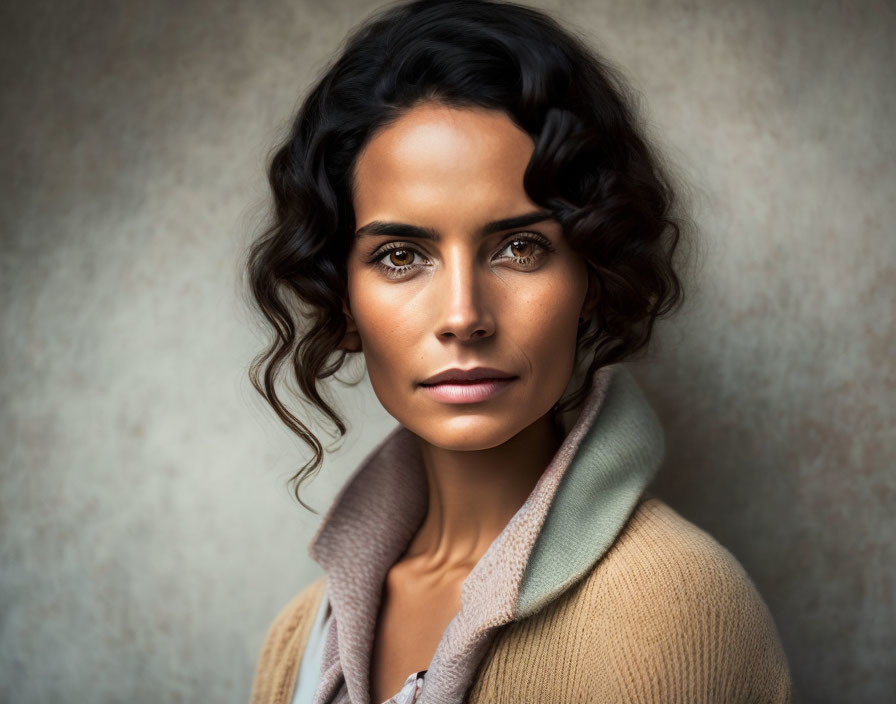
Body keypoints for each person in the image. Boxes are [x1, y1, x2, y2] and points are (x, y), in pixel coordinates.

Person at [244, 1, 793, 702]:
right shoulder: (297, 639)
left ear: (590, 276)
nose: (464, 316)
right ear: (342, 301)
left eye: (519, 247)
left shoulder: (675, 612)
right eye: (402, 255)